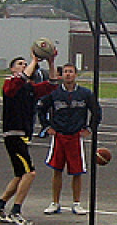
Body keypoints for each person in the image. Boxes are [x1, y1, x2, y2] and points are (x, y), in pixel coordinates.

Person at [0, 53, 58, 225]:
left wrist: (51, 62)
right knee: (30, 173)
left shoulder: (30, 88)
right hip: (13, 134)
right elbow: (20, 80)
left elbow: (52, 85)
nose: (24, 65)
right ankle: (16, 211)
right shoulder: (10, 83)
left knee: (20, 174)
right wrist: (34, 60)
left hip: (23, 134)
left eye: (25, 63)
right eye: (20, 63)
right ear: (12, 68)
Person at [39, 63, 101, 216]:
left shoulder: (85, 94)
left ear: (76, 75)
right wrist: (47, 127)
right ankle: (55, 202)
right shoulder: (54, 94)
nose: (68, 74)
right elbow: (41, 109)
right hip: (59, 136)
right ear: (61, 75)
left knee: (77, 171)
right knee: (57, 169)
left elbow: (96, 111)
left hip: (75, 137)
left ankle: (77, 202)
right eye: (65, 72)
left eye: (71, 72)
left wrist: (89, 128)